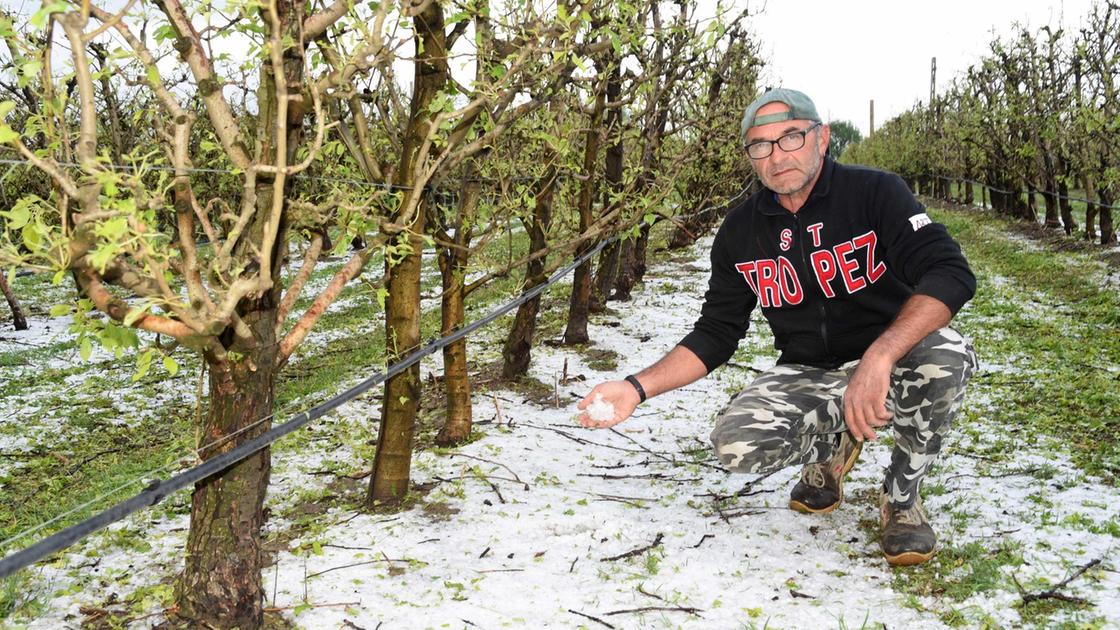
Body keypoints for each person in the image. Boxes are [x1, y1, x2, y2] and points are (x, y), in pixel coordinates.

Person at [577, 88, 977, 566]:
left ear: (821, 138)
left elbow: (949, 272)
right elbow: (716, 333)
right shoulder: (740, 232)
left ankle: (902, 495)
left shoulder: (875, 193)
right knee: (737, 445)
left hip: (892, 359)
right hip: (808, 369)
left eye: (791, 137)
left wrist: (881, 353)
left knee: (946, 357)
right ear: (750, 156)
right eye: (760, 145)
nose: (777, 155)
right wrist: (635, 388)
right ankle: (832, 449)